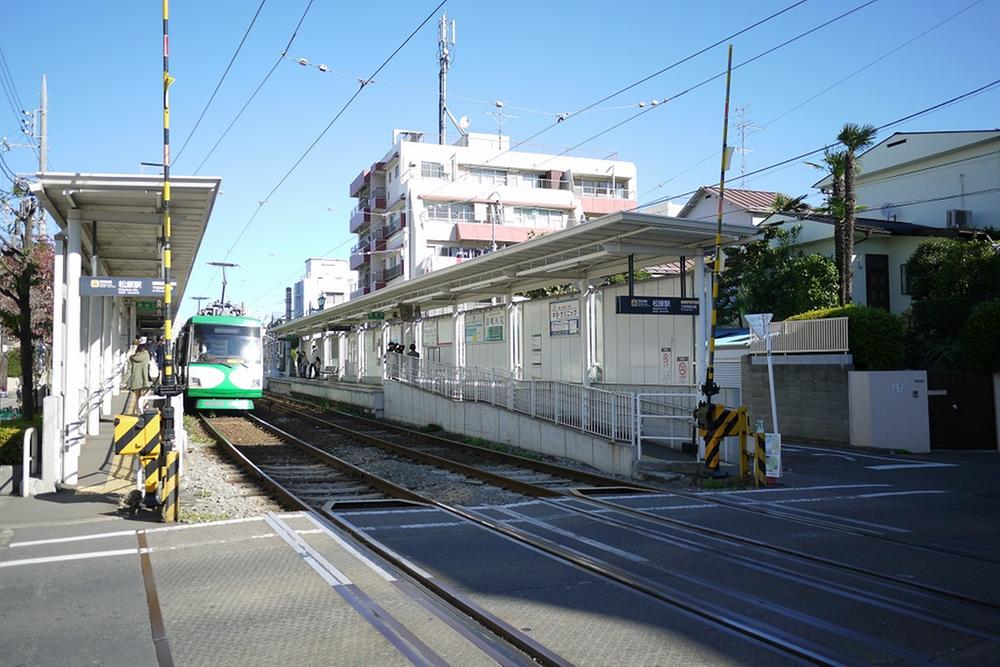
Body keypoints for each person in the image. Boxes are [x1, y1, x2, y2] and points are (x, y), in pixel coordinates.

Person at [126, 339, 152, 414]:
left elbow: (129, 371)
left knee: (137, 397)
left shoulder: (132, 358)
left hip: (135, 380)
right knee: (144, 395)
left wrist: (123, 382)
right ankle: (143, 408)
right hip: (145, 379)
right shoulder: (147, 355)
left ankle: (138, 412)